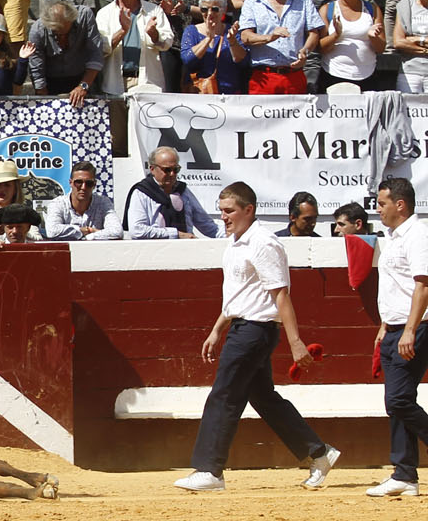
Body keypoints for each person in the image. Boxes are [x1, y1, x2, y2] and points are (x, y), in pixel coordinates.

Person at [175, 181, 339, 492]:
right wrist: (217, 328)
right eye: (221, 211)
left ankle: (210, 470)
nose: (223, 217)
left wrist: (295, 342)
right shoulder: (236, 242)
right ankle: (319, 453)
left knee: (224, 395)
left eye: (229, 211)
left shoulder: (264, 243)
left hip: (256, 330)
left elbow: (281, 296)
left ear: (248, 210)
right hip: (243, 326)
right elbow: (240, 294)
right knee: (263, 397)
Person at [371, 177, 428, 496]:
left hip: (414, 329)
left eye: (382, 203)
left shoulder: (417, 235)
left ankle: (404, 470)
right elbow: (397, 285)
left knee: (399, 400)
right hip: (395, 329)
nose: (378, 209)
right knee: (396, 402)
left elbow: (423, 284)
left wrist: (408, 329)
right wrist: (385, 326)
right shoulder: (393, 237)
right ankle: (405, 474)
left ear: (400, 205)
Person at [240, 0, 323, 94]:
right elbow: (245, 36)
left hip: (293, 75)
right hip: (263, 77)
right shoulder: (252, 2)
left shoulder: (304, 0)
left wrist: (305, 51)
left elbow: (314, 33)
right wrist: (269, 37)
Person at [96, 0, 175, 94]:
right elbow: (100, 49)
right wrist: (123, 31)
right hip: (115, 83)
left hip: (147, 83)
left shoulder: (154, 11)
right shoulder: (104, 14)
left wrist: (154, 34)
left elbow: (167, 43)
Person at [21, 0, 106, 107]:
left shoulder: (85, 15)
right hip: (51, 81)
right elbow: (37, 69)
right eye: (57, 33)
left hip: (82, 77)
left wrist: (83, 86)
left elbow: (95, 54)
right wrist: (44, 101)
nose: (62, 37)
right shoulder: (37, 30)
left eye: (65, 32)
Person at [126, 146, 222, 239]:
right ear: (152, 169)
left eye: (176, 169)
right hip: (155, 251)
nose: (172, 174)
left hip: (186, 250)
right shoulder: (142, 192)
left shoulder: (182, 191)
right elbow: (137, 230)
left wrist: (232, 236)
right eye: (167, 170)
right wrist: (175, 234)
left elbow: (206, 224)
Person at [320, 0, 388, 89]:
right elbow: (320, 48)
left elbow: (381, 48)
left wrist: (373, 37)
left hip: (367, 76)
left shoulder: (372, 9)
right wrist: (336, 35)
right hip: (334, 75)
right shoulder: (327, 9)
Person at [181, 0, 251, 93]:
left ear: (224, 10)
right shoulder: (191, 31)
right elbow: (188, 60)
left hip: (228, 94)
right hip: (199, 95)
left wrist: (232, 41)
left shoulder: (232, 31)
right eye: (204, 9)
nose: (209, 13)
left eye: (215, 9)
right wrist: (208, 39)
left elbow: (243, 62)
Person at [43, 162, 116, 241]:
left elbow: (116, 231)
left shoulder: (103, 202)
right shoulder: (58, 204)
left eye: (89, 183)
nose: (83, 187)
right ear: (70, 183)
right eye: (78, 182)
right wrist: (81, 230)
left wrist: (90, 235)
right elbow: (52, 231)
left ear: (94, 184)